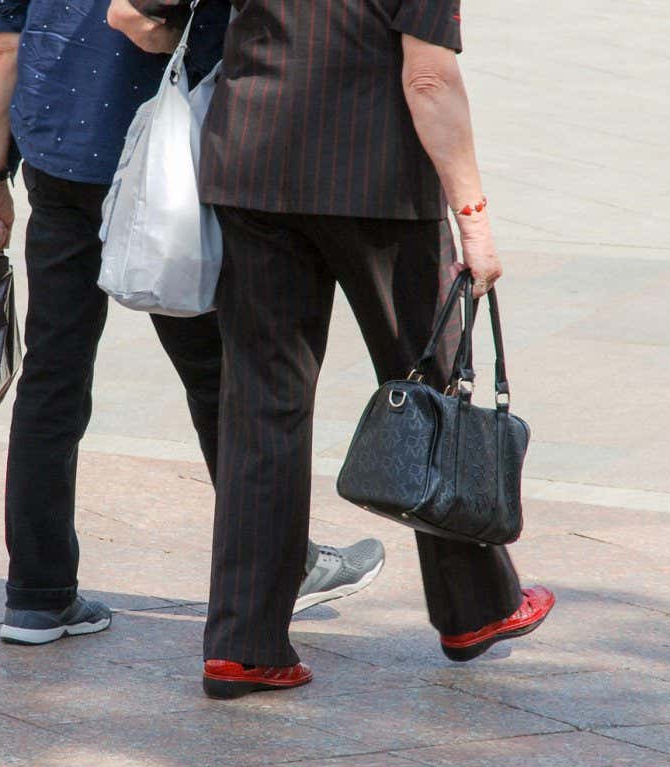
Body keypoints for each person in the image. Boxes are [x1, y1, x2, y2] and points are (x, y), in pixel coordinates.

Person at [110, 0, 555, 697]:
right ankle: (476, 609)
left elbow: (132, 14)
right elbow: (429, 79)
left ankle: (243, 646)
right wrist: (474, 216)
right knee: (429, 389)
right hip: (376, 181)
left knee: (261, 406)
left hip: (251, 163)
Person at [0, 0, 387, 646]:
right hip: (154, 155)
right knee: (220, 374)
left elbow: (6, 44)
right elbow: (144, 22)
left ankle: (36, 595)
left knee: (52, 375)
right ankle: (285, 563)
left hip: (54, 155)